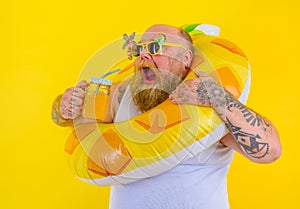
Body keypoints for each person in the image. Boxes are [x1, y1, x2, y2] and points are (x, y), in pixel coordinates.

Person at [52, 24, 281, 209]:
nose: (143, 55)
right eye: (138, 50)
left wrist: (219, 98)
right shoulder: (121, 94)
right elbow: (62, 118)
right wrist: (64, 106)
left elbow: (270, 151)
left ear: (185, 58)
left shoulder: (205, 103)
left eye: (154, 47)